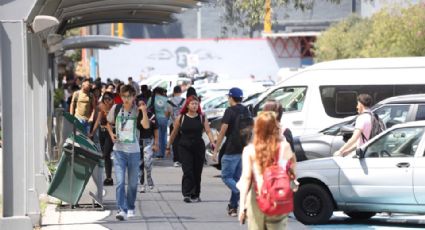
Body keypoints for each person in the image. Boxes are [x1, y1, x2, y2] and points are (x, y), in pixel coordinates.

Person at [237, 111, 296, 229]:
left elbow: (246, 178)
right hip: (278, 196)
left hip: (257, 197)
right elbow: (292, 167)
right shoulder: (285, 146)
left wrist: (242, 204)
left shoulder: (249, 150)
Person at [106, 85, 150, 221]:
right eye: (124, 96)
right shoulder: (116, 108)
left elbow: (146, 126)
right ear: (121, 96)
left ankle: (130, 207)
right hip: (119, 151)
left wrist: (144, 111)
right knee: (120, 182)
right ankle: (121, 209)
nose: (126, 99)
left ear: (133, 97)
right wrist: (112, 134)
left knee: (132, 184)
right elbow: (107, 122)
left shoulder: (137, 110)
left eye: (129, 96)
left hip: (134, 152)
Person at [166, 95, 215, 203]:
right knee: (188, 170)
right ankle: (187, 194)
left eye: (196, 104)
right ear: (187, 105)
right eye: (192, 104)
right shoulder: (181, 117)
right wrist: (168, 146)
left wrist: (212, 142)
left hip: (198, 146)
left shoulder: (202, 117)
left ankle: (195, 194)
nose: (194, 106)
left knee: (197, 171)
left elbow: (208, 131)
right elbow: (174, 133)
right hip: (184, 146)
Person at [212, 87, 251, 217]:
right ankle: (233, 207)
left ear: (231, 98)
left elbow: (222, 131)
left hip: (231, 149)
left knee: (226, 177)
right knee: (236, 178)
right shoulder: (246, 110)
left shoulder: (230, 111)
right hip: (243, 149)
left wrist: (216, 150)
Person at [89, 92, 115, 185]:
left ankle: (102, 176)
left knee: (105, 154)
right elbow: (97, 121)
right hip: (102, 132)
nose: (107, 101)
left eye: (109, 98)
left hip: (111, 133)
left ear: (113, 99)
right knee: (106, 156)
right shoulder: (101, 106)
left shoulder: (115, 108)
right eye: (105, 99)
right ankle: (109, 178)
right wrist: (92, 133)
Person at [138, 99, 159, 193]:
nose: (142, 106)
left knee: (148, 163)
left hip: (148, 142)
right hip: (137, 142)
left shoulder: (152, 116)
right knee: (139, 164)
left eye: (143, 104)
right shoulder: (135, 115)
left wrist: (156, 143)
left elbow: (155, 130)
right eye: (140, 105)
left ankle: (149, 179)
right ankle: (142, 184)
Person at [148, 87, 170, 158]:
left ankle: (157, 153)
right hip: (164, 118)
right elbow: (168, 111)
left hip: (155, 119)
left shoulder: (152, 98)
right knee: (163, 136)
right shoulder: (166, 99)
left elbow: (147, 107)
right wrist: (166, 118)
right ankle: (162, 153)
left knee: (156, 136)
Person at [168, 85, 185, 167]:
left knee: (175, 142)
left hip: (173, 123)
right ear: (180, 92)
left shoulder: (169, 101)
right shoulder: (184, 101)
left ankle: (176, 160)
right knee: (183, 141)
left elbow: (167, 113)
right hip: (183, 123)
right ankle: (183, 159)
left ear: (174, 92)